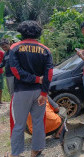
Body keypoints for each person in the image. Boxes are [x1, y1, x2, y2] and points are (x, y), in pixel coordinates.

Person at [8, 21, 53, 157]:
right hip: (39, 93)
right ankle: (36, 152)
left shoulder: (15, 48)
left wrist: (34, 79)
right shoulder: (45, 49)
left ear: (22, 32)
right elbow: (49, 73)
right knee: (38, 122)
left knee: (19, 124)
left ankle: (15, 154)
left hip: (21, 92)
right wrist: (44, 91)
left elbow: (16, 71)